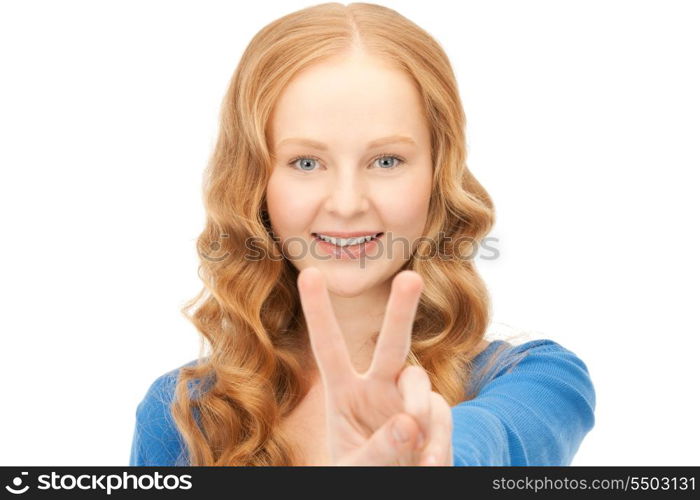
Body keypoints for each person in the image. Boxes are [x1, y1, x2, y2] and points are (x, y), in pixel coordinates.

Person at [129, 2, 595, 466]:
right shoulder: (183, 415)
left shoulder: (538, 380)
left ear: (437, 173)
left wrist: (433, 456)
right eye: (306, 163)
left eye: (386, 160)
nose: (347, 203)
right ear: (256, 181)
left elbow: (495, 435)